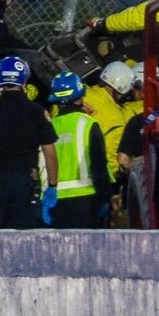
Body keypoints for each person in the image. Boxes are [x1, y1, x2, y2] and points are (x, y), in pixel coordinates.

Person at [0, 55, 59, 230]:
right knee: (24, 234)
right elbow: (50, 153)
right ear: (24, 80)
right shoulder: (37, 112)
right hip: (25, 182)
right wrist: (52, 186)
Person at [46, 73, 113, 228]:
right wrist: (105, 198)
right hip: (87, 202)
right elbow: (99, 165)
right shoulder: (88, 124)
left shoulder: (49, 127)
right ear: (80, 96)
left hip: (54, 201)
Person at [82, 61, 136, 167]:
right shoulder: (116, 121)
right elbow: (112, 161)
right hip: (85, 170)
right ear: (123, 90)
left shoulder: (80, 93)